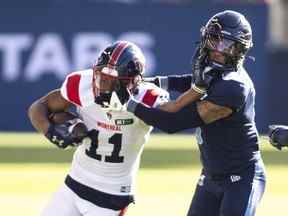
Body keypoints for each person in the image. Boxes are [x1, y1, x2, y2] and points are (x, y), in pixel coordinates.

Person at [126, 10, 266, 216]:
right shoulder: (217, 71)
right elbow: (190, 82)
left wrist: (127, 104)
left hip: (241, 178)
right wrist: (151, 81)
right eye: (213, 40)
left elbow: (172, 122)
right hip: (211, 176)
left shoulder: (234, 87)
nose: (217, 49)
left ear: (239, 49)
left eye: (225, 44)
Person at [28, 41, 173, 216]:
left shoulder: (147, 97)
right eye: (101, 77)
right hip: (74, 183)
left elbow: (174, 121)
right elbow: (40, 105)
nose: (103, 85)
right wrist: (50, 131)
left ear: (131, 82)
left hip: (111, 197)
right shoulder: (82, 84)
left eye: (112, 81)